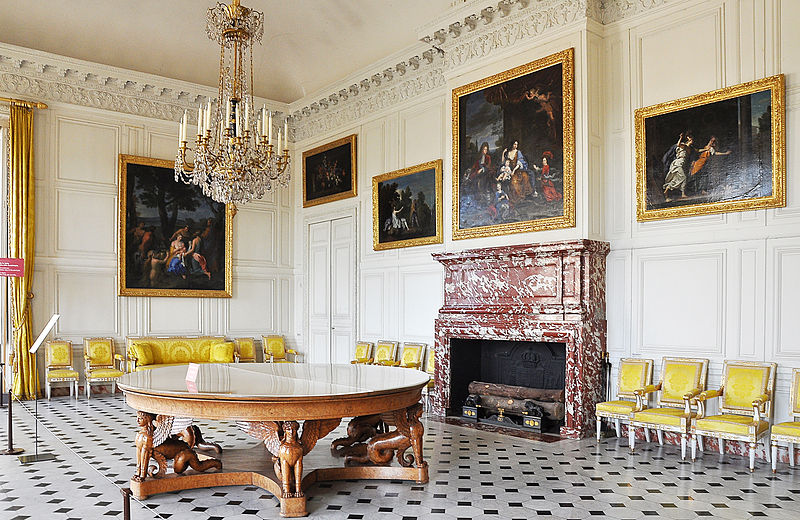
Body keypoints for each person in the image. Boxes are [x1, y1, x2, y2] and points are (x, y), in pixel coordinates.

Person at [662, 133, 694, 202]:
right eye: (690, 139)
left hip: (683, 164)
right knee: (683, 177)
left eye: (691, 139)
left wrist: (706, 150)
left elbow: (697, 150)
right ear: (688, 141)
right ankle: (671, 191)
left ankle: (670, 191)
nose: (692, 140)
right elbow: (678, 144)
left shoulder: (689, 148)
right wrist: (680, 137)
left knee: (678, 178)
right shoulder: (683, 145)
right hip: (678, 163)